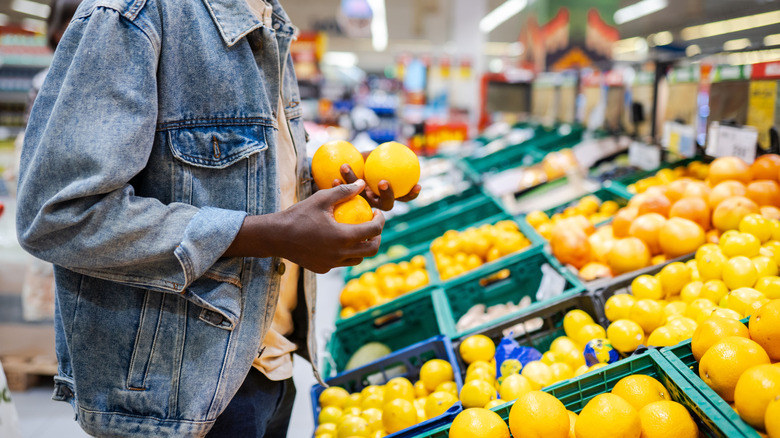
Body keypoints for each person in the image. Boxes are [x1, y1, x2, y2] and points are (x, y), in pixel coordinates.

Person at [15, 1, 419, 437]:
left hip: (269, 365)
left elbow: (241, 178)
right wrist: (270, 236)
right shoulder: (135, 15)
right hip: (180, 391)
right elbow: (58, 214)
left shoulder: (270, 18)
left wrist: (332, 192)